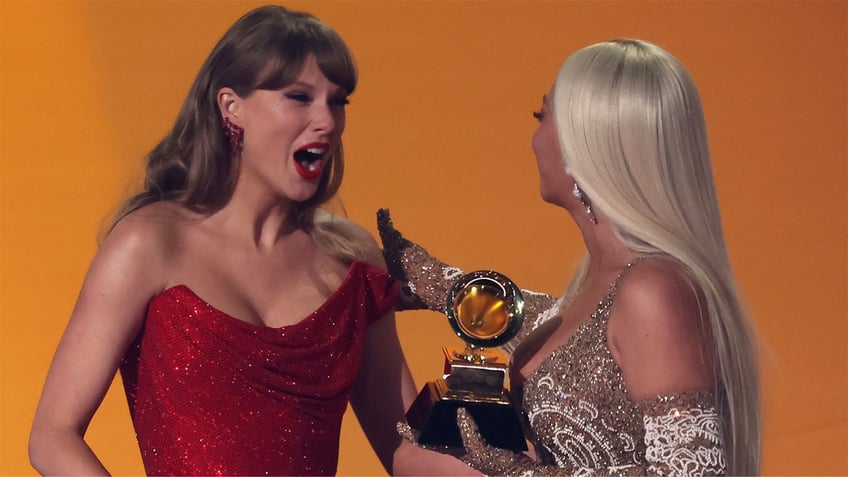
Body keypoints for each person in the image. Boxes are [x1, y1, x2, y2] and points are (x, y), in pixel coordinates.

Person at [28, 5, 426, 475]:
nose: (327, 121)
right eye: (299, 97)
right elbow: (53, 437)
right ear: (231, 107)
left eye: (338, 101)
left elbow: (407, 450)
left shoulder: (352, 259)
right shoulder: (150, 243)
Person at [379, 38, 760, 475]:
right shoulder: (615, 280)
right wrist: (431, 280)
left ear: (587, 144)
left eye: (542, 116)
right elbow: (568, 339)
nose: (534, 137)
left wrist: (515, 469)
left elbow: (695, 473)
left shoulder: (653, 290)